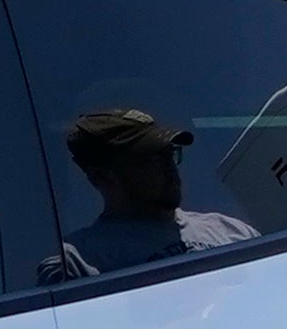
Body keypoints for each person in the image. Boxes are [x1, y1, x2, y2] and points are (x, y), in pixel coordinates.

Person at [40, 104, 259, 281]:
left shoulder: (234, 232)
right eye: (151, 160)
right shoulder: (77, 262)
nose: (170, 168)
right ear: (103, 177)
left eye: (170, 154)